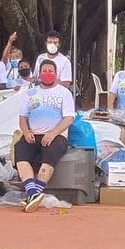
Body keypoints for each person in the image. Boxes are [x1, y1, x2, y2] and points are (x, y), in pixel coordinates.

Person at [14, 60, 75, 212]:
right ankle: (33, 193)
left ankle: (34, 194)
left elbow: (68, 118)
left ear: (56, 74)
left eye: (51, 71)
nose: (47, 73)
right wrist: (26, 132)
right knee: (20, 151)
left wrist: (53, 133)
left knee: (51, 153)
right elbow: (23, 117)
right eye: (44, 71)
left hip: (56, 135)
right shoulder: (31, 93)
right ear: (39, 74)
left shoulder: (64, 93)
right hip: (33, 134)